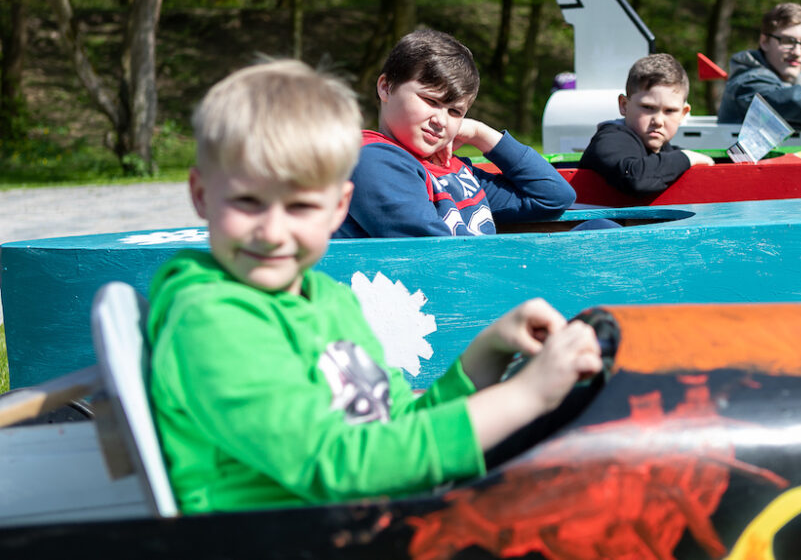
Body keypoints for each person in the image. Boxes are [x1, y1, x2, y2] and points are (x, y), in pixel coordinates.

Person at [148, 60, 602, 513]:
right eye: (248, 202)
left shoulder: (327, 299)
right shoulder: (211, 318)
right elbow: (338, 466)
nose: (273, 231)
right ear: (202, 195)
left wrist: (489, 352)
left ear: (337, 206)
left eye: (302, 207)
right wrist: (525, 396)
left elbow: (394, 423)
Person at [335, 28, 575, 238]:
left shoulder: (451, 169)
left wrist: (479, 133)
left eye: (455, 111)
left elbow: (554, 196)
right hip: (449, 285)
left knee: (598, 225)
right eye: (430, 100)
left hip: (477, 279)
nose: (440, 121)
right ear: (386, 87)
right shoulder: (374, 161)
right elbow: (435, 255)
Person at [578, 54, 714, 197]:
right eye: (648, 107)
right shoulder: (609, 139)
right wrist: (686, 158)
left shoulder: (664, 150)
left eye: (670, 111)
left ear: (683, 114)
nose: (658, 121)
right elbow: (635, 178)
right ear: (624, 105)